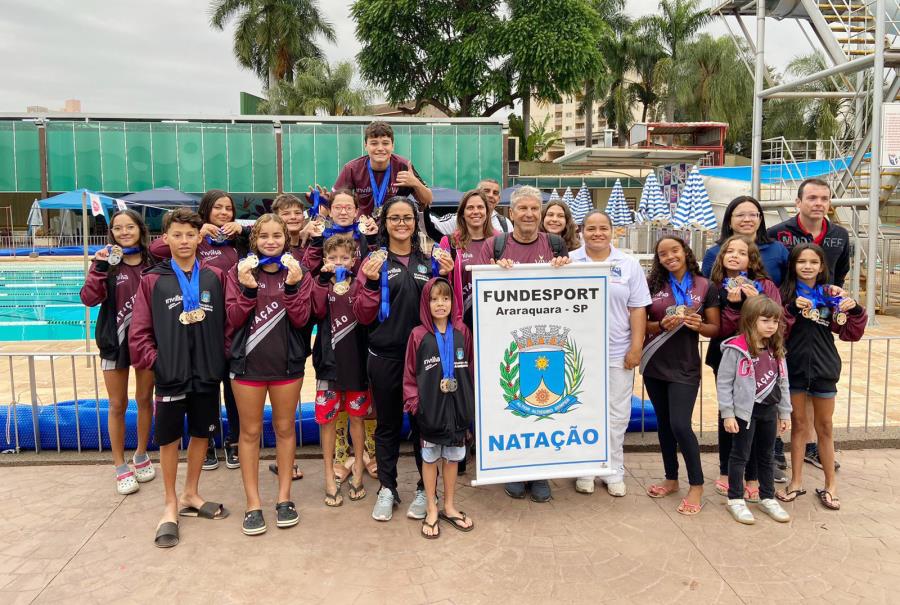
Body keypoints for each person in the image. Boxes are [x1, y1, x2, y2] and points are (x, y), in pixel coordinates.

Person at [130, 208, 230, 548]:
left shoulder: (215, 277)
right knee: (169, 439)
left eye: (190, 235)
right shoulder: (153, 280)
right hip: (171, 376)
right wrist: (159, 363)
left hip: (206, 373)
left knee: (203, 433)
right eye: (177, 235)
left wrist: (219, 358)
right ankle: (170, 502)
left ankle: (191, 494)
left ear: (199, 238)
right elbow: (139, 332)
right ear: (166, 238)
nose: (184, 241)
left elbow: (228, 325)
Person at [353, 196, 454, 522]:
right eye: (394, 218)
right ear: (385, 224)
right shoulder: (373, 263)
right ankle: (388, 488)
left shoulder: (428, 261)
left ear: (415, 222)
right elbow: (363, 314)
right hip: (385, 357)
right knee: (387, 426)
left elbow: (445, 309)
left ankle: (427, 491)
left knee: (426, 426)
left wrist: (447, 277)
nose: (401, 224)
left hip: (426, 361)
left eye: (406, 218)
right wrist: (369, 281)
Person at [475, 185, 570, 502]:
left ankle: (540, 473)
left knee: (544, 411)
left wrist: (564, 268)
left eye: (534, 209)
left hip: (545, 338)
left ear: (540, 213)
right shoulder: (495, 245)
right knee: (511, 406)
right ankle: (515, 470)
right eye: (522, 209)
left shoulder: (555, 244)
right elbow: (478, 289)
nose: (529, 214)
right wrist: (492, 272)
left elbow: (569, 291)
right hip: (505, 342)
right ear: (510, 213)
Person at [225, 214, 312, 535]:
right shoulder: (240, 273)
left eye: (277, 235)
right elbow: (232, 318)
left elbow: (304, 319)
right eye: (264, 236)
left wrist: (292, 286)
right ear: (254, 240)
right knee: (249, 434)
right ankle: (253, 503)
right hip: (247, 366)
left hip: (287, 366)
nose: (271, 241)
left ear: (286, 240)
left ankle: (284, 498)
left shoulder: (297, 273)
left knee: (286, 429)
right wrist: (248, 291)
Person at [149, 189, 247, 472]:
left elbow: (267, 242)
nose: (224, 213)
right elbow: (156, 250)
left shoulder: (236, 242)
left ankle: (233, 441)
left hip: (226, 325)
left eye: (229, 209)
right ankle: (208, 444)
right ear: (206, 210)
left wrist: (242, 229)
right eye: (218, 208)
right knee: (205, 390)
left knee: (231, 391)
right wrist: (198, 233)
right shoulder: (195, 238)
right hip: (194, 330)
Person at [767, 179, 852, 472]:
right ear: (798, 202)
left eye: (824, 198)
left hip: (818, 323)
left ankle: (812, 447)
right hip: (786, 320)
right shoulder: (778, 234)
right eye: (812, 198)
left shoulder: (840, 235)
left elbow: (838, 275)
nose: (818, 203)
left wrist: (832, 304)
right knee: (780, 384)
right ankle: (775, 449)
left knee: (814, 385)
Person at [776, 243, 866, 511]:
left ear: (822, 266)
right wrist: (791, 309)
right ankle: (795, 482)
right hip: (794, 368)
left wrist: (855, 309)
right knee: (799, 426)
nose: (807, 266)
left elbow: (850, 332)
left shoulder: (830, 295)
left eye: (813, 262)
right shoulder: (785, 294)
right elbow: (776, 330)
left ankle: (830, 486)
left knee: (825, 427)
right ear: (793, 265)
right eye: (801, 261)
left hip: (825, 369)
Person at [569, 211, 650, 497]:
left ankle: (613, 469)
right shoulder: (569, 261)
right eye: (591, 228)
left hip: (618, 352)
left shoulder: (628, 264)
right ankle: (586, 468)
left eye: (603, 228)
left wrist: (636, 347)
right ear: (582, 231)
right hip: (579, 354)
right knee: (583, 412)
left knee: (617, 415)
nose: (597, 233)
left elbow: (638, 307)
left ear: (612, 231)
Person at [304, 189, 380, 484]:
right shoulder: (319, 233)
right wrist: (312, 243)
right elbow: (309, 281)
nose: (344, 210)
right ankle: (340, 455)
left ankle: (369, 453)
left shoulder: (366, 232)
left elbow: (377, 268)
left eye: (349, 206)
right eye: (338, 206)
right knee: (335, 402)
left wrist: (372, 240)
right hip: (330, 341)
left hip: (360, 337)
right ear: (330, 209)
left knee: (364, 399)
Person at [80, 209, 156, 495]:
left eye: (129, 227)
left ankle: (140, 454)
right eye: (117, 228)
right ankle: (119, 465)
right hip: (114, 342)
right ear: (111, 232)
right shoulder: (105, 263)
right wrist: (99, 268)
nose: (124, 232)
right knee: (117, 404)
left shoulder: (152, 261)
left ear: (140, 229)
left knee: (145, 398)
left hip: (147, 341)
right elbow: (89, 299)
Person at [641, 237, 720, 515]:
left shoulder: (704, 285)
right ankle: (671, 478)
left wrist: (700, 326)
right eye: (663, 253)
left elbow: (715, 328)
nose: (669, 257)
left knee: (680, 425)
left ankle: (696, 485)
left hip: (685, 366)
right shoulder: (651, 285)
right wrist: (660, 324)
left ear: (685, 252)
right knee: (664, 425)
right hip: (654, 362)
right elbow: (642, 325)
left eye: (674, 250)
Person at [707, 235, 781, 500]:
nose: (735, 255)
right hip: (728, 356)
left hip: (761, 358)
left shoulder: (765, 285)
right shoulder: (715, 286)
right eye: (730, 251)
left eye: (742, 252)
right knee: (730, 414)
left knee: (757, 415)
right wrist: (734, 305)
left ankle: (753, 476)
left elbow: (774, 318)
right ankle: (727, 471)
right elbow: (722, 331)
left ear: (751, 259)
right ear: (722, 256)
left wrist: (755, 300)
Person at [403, 278, 475, 538]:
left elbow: (471, 368)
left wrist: (469, 401)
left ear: (452, 301)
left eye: (445, 298)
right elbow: (410, 375)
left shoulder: (462, 332)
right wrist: (415, 405)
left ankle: (450, 505)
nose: (440, 304)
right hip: (430, 410)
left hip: (456, 409)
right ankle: (432, 507)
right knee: (430, 458)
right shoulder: (418, 335)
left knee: (453, 458)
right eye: (434, 299)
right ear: (426, 303)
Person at [717, 295, 792, 524]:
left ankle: (767, 496)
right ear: (751, 320)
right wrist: (728, 414)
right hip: (744, 413)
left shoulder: (776, 348)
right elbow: (724, 382)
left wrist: (785, 412)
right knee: (740, 455)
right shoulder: (736, 348)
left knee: (766, 456)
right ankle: (735, 499)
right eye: (765, 320)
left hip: (769, 411)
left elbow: (783, 382)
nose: (771, 326)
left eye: (775, 321)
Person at [310, 235, 371, 506]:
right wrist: (324, 282)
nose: (338, 263)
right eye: (332, 258)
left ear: (353, 260)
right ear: (325, 261)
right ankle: (328, 477)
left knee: (357, 419)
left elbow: (368, 314)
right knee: (328, 422)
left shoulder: (361, 283)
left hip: (356, 364)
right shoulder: (319, 284)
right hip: (327, 365)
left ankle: (358, 470)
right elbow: (315, 311)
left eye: (344, 258)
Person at [423, 189, 494, 329]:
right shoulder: (449, 242)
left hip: (492, 314)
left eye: (480, 207)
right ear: (462, 213)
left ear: (487, 211)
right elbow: (437, 282)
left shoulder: (499, 241)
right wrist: (444, 273)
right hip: (460, 319)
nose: (476, 211)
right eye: (470, 208)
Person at [333, 121, 433, 217]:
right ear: (365, 146)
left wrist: (416, 183)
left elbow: (428, 200)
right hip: (364, 228)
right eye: (374, 143)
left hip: (395, 228)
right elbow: (334, 201)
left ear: (392, 146)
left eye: (385, 143)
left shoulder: (403, 166)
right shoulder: (352, 169)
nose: (380, 148)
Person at [702, 196, 789, 285]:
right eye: (740, 215)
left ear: (760, 219)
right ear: (729, 221)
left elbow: (791, 283)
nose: (747, 220)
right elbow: (705, 289)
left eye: (753, 215)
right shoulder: (714, 253)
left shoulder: (777, 249)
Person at [427, 178, 512, 235]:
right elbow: (429, 226)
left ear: (499, 199)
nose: (491, 195)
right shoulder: (457, 219)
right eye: (486, 191)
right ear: (476, 193)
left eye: (495, 193)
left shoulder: (505, 224)